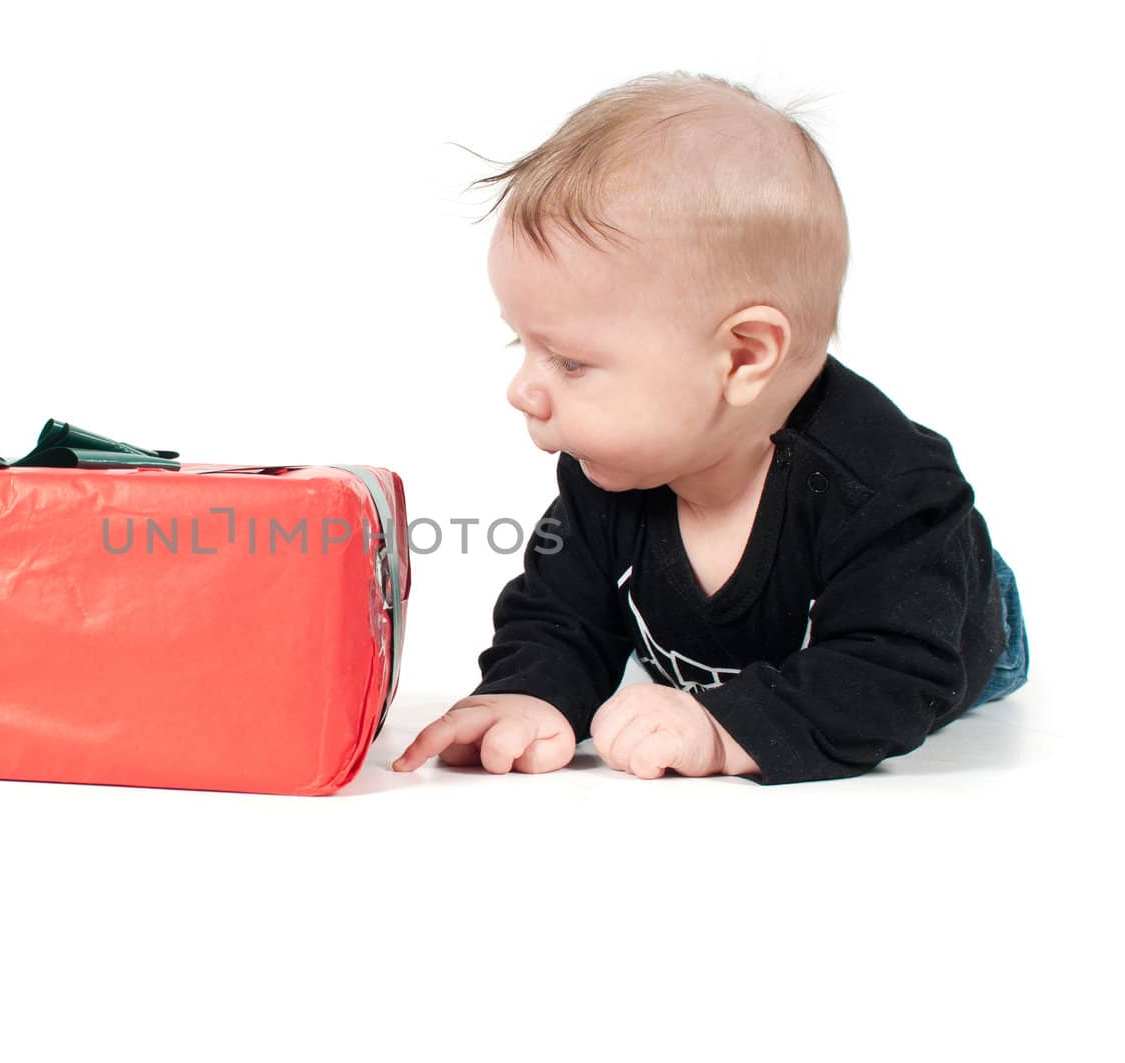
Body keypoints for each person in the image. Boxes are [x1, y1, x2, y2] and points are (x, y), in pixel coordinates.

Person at [392, 71, 1029, 784]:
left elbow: (891, 674)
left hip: (947, 620)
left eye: (570, 362)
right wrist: (532, 692)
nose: (522, 390)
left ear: (744, 357)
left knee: (938, 625)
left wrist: (728, 730)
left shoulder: (886, 494)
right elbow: (560, 612)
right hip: (745, 636)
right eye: (524, 346)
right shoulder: (611, 469)